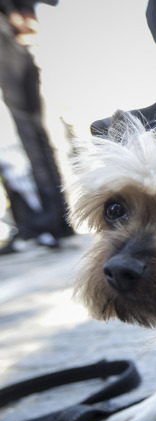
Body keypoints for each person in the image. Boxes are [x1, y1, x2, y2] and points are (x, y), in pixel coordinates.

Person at [0, 0, 72, 250]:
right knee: (24, 135)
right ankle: (39, 224)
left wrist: (17, 12)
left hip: (9, 36)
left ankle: (47, 224)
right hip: (14, 32)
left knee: (23, 135)